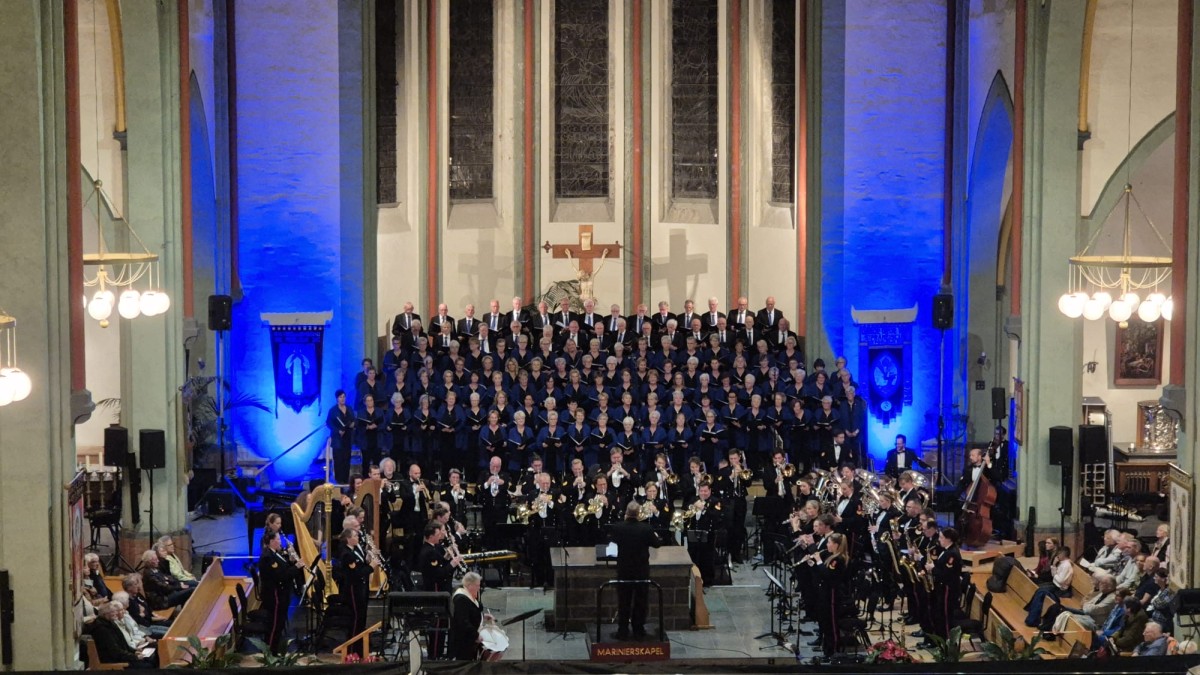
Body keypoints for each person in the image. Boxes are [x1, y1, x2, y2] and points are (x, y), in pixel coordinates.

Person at [609, 501, 663, 640]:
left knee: (624, 601)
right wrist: (656, 536)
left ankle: (622, 630)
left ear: (626, 513)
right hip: (641, 570)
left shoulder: (618, 527)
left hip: (624, 570)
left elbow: (612, 544)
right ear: (639, 514)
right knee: (640, 601)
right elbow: (657, 544)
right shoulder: (646, 529)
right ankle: (638, 630)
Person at [258, 530, 305, 653]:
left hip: (282, 594)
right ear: (272, 541)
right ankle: (270, 652)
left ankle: (276, 649)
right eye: (278, 539)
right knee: (275, 625)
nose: (280, 542)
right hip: (275, 596)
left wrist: (291, 561)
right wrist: (296, 567)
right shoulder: (268, 557)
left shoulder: (276, 554)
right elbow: (280, 575)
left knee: (279, 623)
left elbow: (284, 567)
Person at [337, 528, 377, 657]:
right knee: (356, 619)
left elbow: (360, 565)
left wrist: (368, 559)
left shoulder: (355, 549)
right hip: (353, 590)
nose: (358, 537)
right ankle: (352, 649)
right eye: (355, 535)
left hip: (361, 588)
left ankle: (360, 648)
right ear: (349, 538)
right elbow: (355, 574)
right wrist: (371, 567)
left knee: (362, 618)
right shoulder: (347, 554)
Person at [816, 532, 851, 659]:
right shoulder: (832, 557)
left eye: (829, 542)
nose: (827, 545)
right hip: (826, 592)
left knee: (831, 623)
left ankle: (834, 650)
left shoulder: (838, 559)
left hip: (832, 594)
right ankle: (827, 650)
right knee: (825, 622)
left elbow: (829, 575)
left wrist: (819, 562)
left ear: (836, 545)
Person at [90, 601, 155, 668]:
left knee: (151, 658)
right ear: (105, 614)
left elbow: (122, 643)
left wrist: (134, 651)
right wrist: (134, 657)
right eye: (112, 612)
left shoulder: (110, 623)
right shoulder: (102, 629)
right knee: (148, 665)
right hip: (114, 661)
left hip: (123, 656)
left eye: (115, 611)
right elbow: (114, 651)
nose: (115, 613)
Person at [926, 527, 963, 644]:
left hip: (948, 589)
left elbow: (947, 574)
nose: (939, 540)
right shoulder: (946, 550)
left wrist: (933, 568)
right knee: (940, 615)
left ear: (949, 539)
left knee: (946, 617)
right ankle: (939, 640)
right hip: (942, 588)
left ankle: (948, 643)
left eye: (941, 537)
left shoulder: (952, 554)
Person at [1024, 546, 1073, 626]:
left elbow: (1060, 581)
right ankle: (1030, 609)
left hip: (1059, 588)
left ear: (1063, 554)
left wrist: (1055, 574)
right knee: (1039, 588)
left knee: (1041, 590)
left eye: (1059, 554)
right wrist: (1053, 565)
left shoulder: (1066, 565)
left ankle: (1032, 613)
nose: (1057, 556)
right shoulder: (1062, 563)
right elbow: (1054, 575)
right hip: (1055, 583)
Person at [448, 572, 490, 660]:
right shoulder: (461, 599)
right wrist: (476, 635)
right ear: (470, 585)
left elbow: (472, 612)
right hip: (463, 640)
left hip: (469, 639)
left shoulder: (468, 596)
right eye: (477, 585)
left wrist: (483, 616)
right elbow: (463, 621)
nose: (479, 588)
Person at [326, 390, 356, 483]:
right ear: (337, 399)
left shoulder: (349, 408)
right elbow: (329, 423)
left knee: (347, 460)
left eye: (344, 397)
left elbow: (353, 420)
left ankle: (346, 480)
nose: (342, 399)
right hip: (338, 438)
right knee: (338, 460)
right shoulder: (333, 410)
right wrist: (337, 430)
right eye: (340, 397)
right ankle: (339, 481)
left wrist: (353, 424)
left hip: (348, 437)